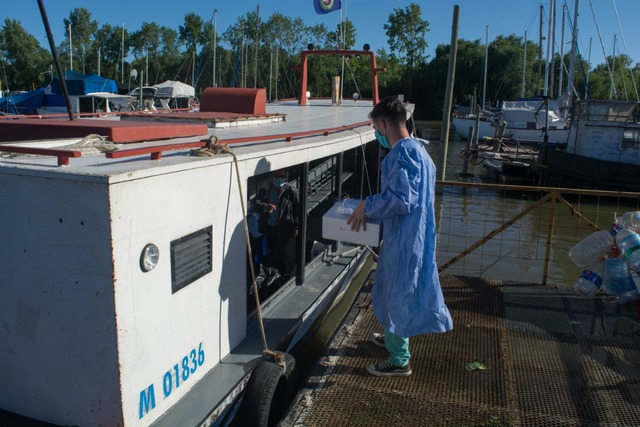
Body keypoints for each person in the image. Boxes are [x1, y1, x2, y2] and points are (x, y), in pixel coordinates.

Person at [347, 96, 453, 377]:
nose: (376, 133)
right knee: (400, 289)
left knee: (397, 291)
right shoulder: (420, 150)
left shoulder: (401, 154)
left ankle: (399, 360)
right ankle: (394, 336)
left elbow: (401, 199)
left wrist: (366, 206)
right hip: (415, 234)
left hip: (405, 238)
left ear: (383, 124)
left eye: (375, 127)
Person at [253, 169, 300, 275]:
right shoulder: (266, 187)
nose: (279, 179)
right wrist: (265, 207)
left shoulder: (291, 190)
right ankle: (274, 273)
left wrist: (296, 227)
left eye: (282, 176)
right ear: (272, 176)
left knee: (278, 254)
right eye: (277, 176)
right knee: (271, 251)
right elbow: (256, 202)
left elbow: (298, 209)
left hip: (283, 228)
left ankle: (280, 274)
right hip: (269, 226)